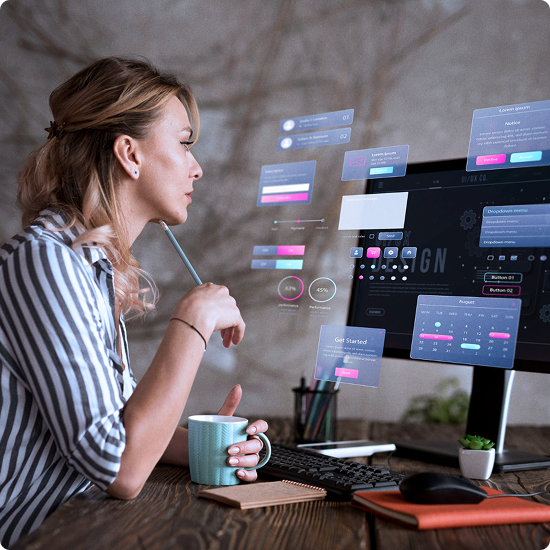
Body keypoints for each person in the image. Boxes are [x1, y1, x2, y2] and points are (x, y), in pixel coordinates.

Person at [0, 57, 267, 548]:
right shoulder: (46, 261)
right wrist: (192, 322)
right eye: (184, 143)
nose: (197, 167)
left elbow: (119, 427)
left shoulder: (88, 267)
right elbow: (120, 469)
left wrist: (211, 446)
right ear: (130, 154)